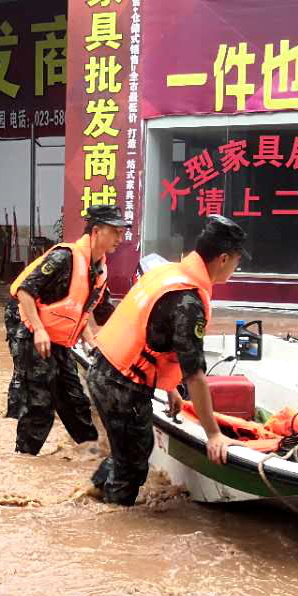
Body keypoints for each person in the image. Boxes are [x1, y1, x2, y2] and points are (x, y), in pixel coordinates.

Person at [86, 214, 247, 506]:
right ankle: (112, 517)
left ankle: (93, 494)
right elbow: (195, 375)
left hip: (103, 370)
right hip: (122, 385)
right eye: (237, 261)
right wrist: (213, 435)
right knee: (134, 464)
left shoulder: (169, 273)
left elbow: (154, 336)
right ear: (223, 259)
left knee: (129, 449)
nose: (236, 269)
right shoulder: (189, 301)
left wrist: (168, 387)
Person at [4, 204, 125, 454]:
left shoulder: (99, 269)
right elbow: (25, 290)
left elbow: (100, 314)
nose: (120, 238)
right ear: (97, 230)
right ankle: (23, 459)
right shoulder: (64, 257)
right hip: (30, 328)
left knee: (75, 401)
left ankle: (92, 458)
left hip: (58, 338)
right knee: (40, 406)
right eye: (116, 231)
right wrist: (38, 330)